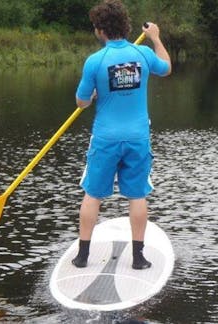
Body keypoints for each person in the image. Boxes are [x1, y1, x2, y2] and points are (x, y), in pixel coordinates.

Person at [72, 0, 172, 270]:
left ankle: (82, 257)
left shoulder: (95, 61)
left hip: (105, 139)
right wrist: (156, 38)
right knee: (137, 196)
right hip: (137, 139)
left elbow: (81, 102)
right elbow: (166, 66)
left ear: (101, 30)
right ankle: (138, 259)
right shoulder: (142, 54)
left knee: (92, 194)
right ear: (124, 26)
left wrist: (92, 96)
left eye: (95, 27)